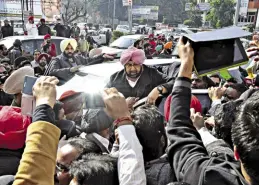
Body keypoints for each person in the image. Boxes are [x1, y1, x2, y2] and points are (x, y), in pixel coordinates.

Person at [166, 37, 252, 185]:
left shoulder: (213, 176)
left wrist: (186, 64)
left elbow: (180, 132)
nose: (194, 83)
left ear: (236, 152)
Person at [106, 47, 175, 104]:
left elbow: (174, 82)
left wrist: (158, 89)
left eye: (136, 64)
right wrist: (122, 104)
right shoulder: (114, 79)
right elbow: (104, 95)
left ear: (141, 64)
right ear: (124, 66)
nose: (132, 69)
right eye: (129, 65)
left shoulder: (152, 73)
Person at [48, 38, 113, 83]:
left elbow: (89, 61)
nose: (70, 51)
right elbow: (52, 72)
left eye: (71, 48)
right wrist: (70, 70)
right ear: (63, 49)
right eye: (67, 49)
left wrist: (102, 56)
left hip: (80, 86)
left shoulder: (77, 58)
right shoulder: (57, 59)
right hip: (66, 89)